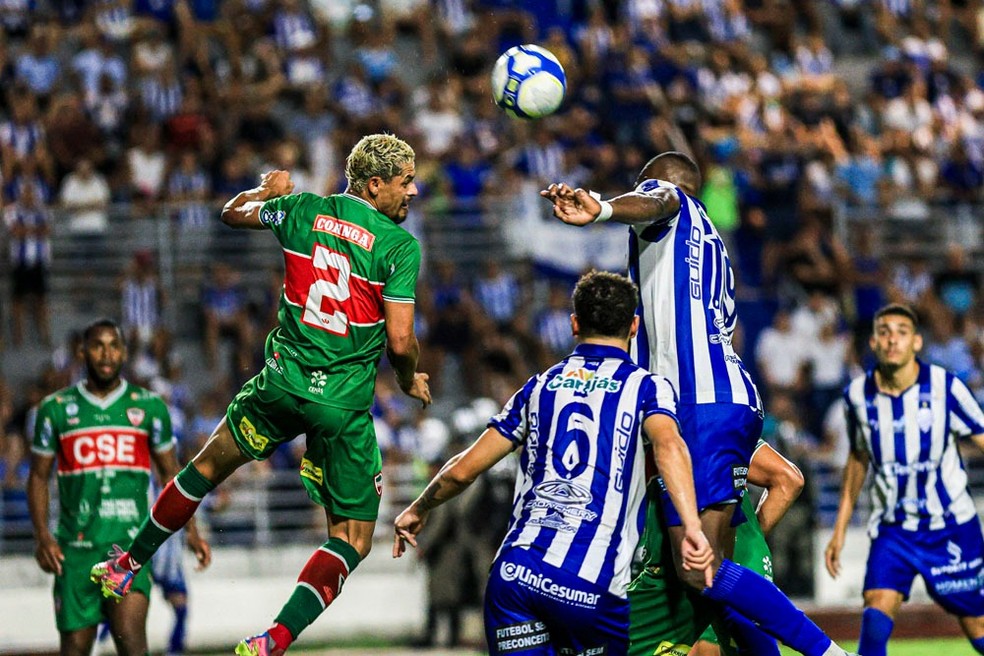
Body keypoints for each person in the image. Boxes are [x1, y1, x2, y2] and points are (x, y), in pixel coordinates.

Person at [90, 133, 432, 656]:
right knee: (353, 538)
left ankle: (126, 564)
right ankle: (275, 637)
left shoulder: (301, 208)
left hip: (280, 384)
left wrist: (264, 190)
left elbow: (231, 213)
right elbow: (401, 339)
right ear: (375, 184)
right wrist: (408, 378)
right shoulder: (398, 246)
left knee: (203, 469)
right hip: (339, 407)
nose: (413, 191)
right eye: (405, 182)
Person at [541, 151, 855, 656]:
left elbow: (658, 199)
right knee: (707, 573)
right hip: (725, 399)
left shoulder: (671, 203)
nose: (641, 195)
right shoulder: (715, 253)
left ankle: (825, 652)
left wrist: (600, 207)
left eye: (641, 186)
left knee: (699, 568)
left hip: (694, 405)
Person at [394, 270, 713, 655]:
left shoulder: (538, 386)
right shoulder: (647, 387)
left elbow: (464, 468)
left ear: (574, 324)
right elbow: (670, 447)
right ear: (633, 326)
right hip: (591, 587)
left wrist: (419, 506)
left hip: (516, 576)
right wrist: (692, 525)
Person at [27, 319, 210, 656]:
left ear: (125, 352)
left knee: (131, 640)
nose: (107, 354)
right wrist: (42, 537)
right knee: (75, 649)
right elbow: (37, 476)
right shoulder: (54, 410)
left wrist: (193, 532)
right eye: (98, 345)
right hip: (75, 550)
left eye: (114, 345)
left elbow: (172, 475)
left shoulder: (151, 407)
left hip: (129, 550)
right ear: (82, 352)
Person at [825, 303, 984, 656]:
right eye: (884, 332)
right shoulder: (856, 397)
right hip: (893, 530)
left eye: (901, 332)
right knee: (875, 611)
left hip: (951, 528)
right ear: (873, 343)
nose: (892, 339)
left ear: (916, 342)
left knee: (977, 626)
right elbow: (857, 458)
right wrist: (839, 529)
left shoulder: (946, 388)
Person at [629, 439, 805, 656]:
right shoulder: (727, 427)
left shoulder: (671, 429)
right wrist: (749, 538)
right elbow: (789, 480)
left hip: (693, 565)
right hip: (742, 561)